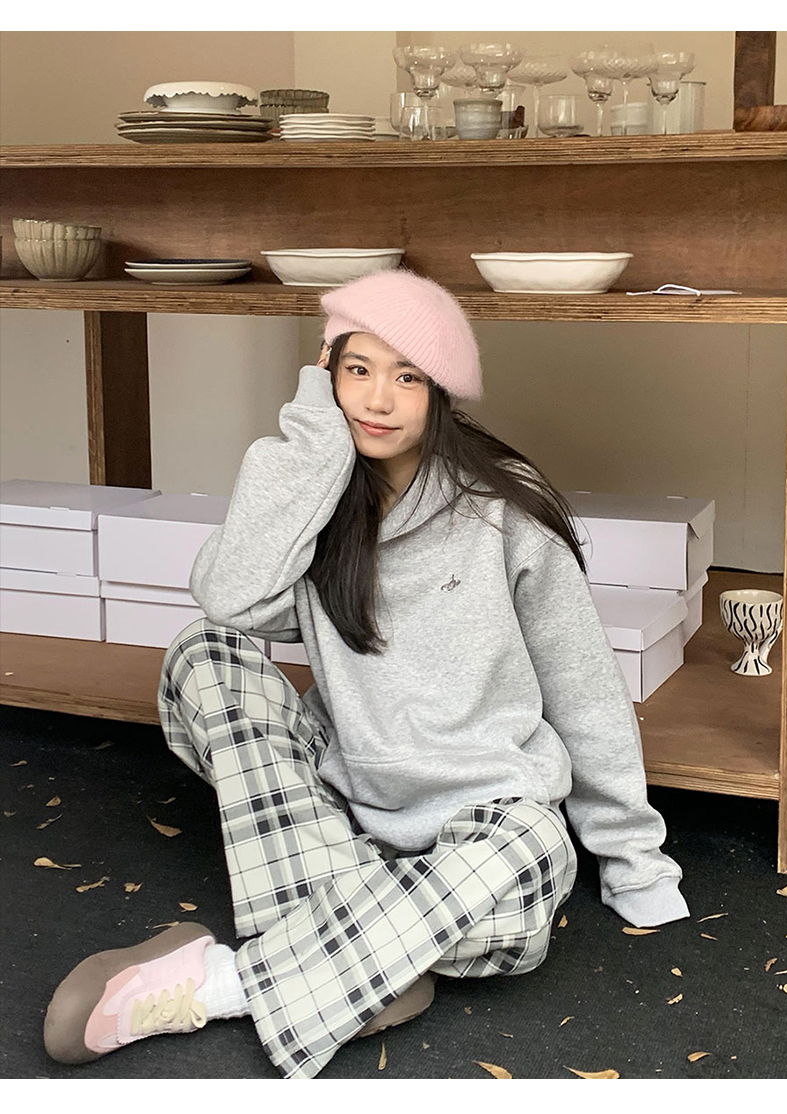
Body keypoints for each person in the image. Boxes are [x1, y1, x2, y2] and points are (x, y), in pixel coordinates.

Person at [43, 269, 690, 1079]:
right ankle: (367, 960)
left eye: (408, 377)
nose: (379, 399)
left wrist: (631, 855)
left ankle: (222, 980)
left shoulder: (504, 510)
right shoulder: (312, 492)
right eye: (357, 370)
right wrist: (314, 442)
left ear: (441, 392)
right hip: (340, 812)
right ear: (326, 372)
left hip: (482, 822)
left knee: (530, 866)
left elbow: (582, 686)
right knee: (205, 655)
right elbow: (230, 597)